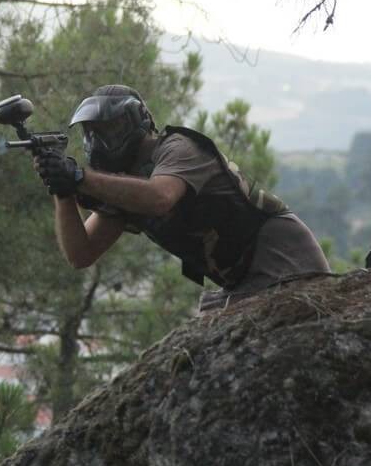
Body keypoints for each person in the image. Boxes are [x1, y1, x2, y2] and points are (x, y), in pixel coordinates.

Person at [34, 84, 331, 312]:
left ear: (138, 121)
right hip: (246, 284)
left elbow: (160, 198)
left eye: (109, 129)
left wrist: (80, 178)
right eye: (91, 133)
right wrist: (62, 190)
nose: (98, 142)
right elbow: (80, 253)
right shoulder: (123, 186)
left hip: (288, 265)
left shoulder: (178, 149)